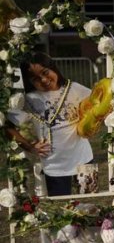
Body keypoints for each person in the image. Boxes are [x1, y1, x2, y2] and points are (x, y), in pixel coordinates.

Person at [6, 53, 93, 196]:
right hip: (54, 167)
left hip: (85, 160)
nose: (44, 80)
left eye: (45, 73)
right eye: (35, 79)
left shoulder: (75, 88)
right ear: (29, 81)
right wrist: (29, 146)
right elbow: (7, 127)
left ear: (53, 68)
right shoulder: (28, 100)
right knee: (62, 211)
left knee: (89, 204)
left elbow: (98, 105)